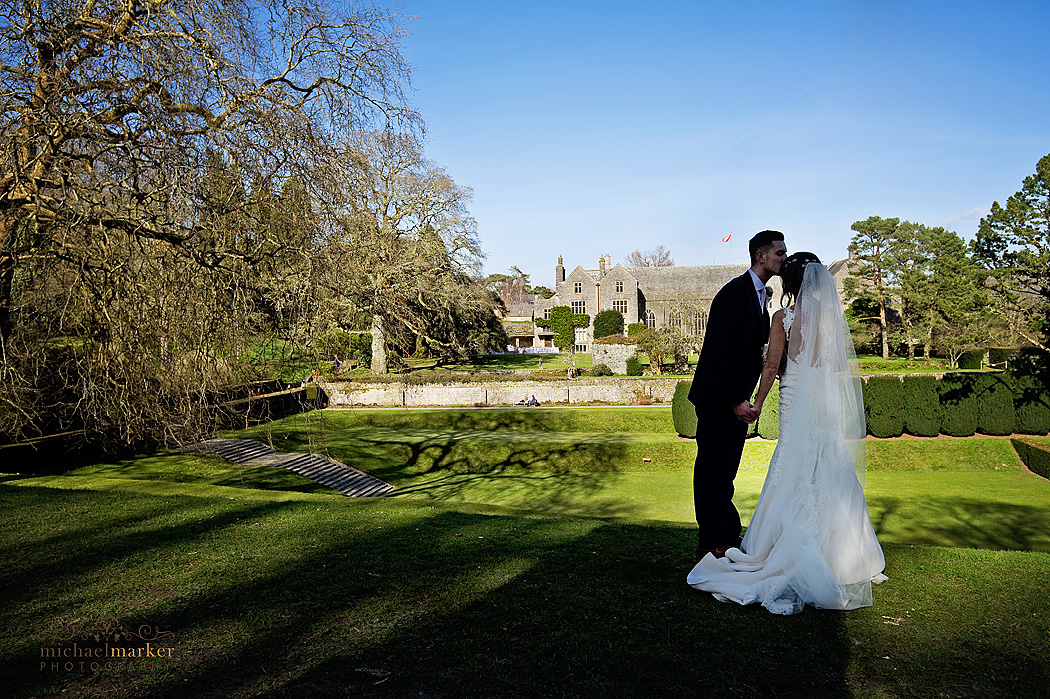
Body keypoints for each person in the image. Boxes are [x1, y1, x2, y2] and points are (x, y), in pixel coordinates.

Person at [687, 253, 886, 614]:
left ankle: (783, 547)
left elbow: (773, 365)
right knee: (826, 460)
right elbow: (835, 363)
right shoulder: (830, 316)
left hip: (795, 395)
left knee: (793, 459)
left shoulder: (784, 317)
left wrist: (758, 402)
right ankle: (845, 554)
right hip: (824, 398)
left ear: (789, 284)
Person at [688, 230, 787, 560]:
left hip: (733, 400)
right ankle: (712, 543)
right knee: (711, 473)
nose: (783, 259)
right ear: (761, 256)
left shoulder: (759, 296)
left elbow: (748, 352)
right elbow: (719, 352)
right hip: (718, 400)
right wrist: (736, 400)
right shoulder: (734, 293)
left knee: (725, 473)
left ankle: (726, 536)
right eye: (779, 253)